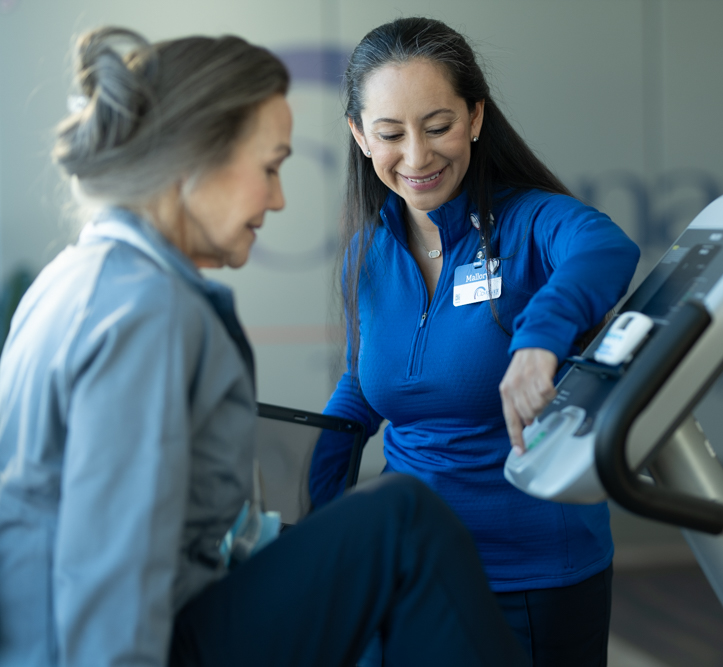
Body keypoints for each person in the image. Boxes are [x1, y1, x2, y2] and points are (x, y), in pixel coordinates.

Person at [0, 27, 528, 667]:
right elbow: (109, 569)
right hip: (123, 645)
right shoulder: (147, 312)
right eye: (270, 168)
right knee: (404, 519)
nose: (278, 199)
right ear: (195, 159)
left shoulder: (71, 277)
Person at [308, 17, 641, 667]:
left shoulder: (530, 220)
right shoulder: (366, 253)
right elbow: (363, 387)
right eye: (390, 134)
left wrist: (538, 339)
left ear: (476, 117)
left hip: (529, 576)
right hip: (409, 566)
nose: (417, 156)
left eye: (438, 126)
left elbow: (607, 247)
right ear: (358, 135)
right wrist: (308, 504)